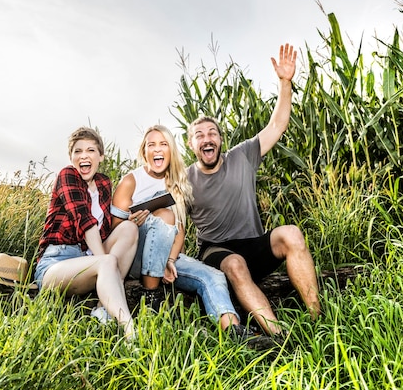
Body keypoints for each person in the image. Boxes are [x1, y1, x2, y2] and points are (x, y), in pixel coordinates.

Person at [186, 43, 321, 336]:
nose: (206, 139)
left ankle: (316, 321)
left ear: (221, 139)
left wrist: (285, 83)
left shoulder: (243, 155)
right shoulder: (184, 179)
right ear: (191, 144)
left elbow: (278, 124)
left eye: (212, 133)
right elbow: (170, 218)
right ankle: (278, 334)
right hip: (216, 251)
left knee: (292, 233)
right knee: (234, 263)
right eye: (199, 135)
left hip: (253, 244)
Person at [111, 124, 277, 350]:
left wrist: (169, 259)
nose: (158, 149)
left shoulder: (177, 183)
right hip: (135, 257)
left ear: (171, 150)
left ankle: (235, 332)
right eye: (152, 145)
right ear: (144, 151)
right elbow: (116, 231)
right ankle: (151, 297)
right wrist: (139, 219)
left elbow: (179, 229)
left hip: (168, 255)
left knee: (214, 276)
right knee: (163, 216)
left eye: (164, 144)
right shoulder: (132, 181)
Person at [34, 126, 138, 340]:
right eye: (77, 151)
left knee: (129, 228)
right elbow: (86, 222)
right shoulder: (67, 175)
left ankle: (102, 310)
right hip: (56, 263)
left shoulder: (103, 183)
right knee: (106, 262)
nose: (84, 156)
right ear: (71, 157)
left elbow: (107, 228)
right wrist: (105, 261)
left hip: (88, 257)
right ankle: (130, 331)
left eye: (90, 150)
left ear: (101, 155)